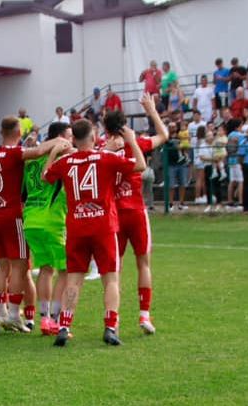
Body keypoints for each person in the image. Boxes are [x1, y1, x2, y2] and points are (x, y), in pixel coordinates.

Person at [43, 119, 146, 347]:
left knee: (74, 279)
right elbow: (140, 166)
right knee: (110, 278)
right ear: (93, 137)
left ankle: (64, 326)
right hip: (103, 227)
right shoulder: (105, 158)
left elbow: (46, 176)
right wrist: (131, 140)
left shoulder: (66, 162)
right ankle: (110, 327)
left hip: (77, 227)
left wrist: (54, 153)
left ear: (74, 139)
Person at [0, 117, 67, 335]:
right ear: (18, 132)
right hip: (12, 215)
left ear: (1, 131)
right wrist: (58, 142)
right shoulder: (15, 153)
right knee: (20, 267)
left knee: (1, 268)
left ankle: (0, 313)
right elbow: (39, 151)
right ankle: (14, 315)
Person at [104, 93, 168, 335]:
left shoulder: (103, 149)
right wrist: (151, 111)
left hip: (114, 214)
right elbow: (164, 135)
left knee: (115, 270)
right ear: (125, 125)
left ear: (105, 128)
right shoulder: (137, 143)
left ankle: (115, 319)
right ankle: (144, 316)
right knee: (143, 263)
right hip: (136, 211)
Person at [22, 121, 73, 336]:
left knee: (45, 269)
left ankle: (44, 319)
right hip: (52, 220)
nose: (71, 141)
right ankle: (55, 319)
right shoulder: (60, 159)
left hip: (30, 220)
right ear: (60, 139)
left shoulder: (31, 160)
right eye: (69, 137)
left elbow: (24, 193)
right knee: (65, 271)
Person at [165, 122, 189, 210]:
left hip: (182, 163)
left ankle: (181, 203)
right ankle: (171, 203)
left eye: (174, 126)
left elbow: (186, 145)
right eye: (170, 127)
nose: (172, 128)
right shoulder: (166, 137)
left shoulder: (181, 136)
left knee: (183, 183)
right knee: (171, 185)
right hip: (171, 164)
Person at [198, 129, 222, 213]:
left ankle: (219, 203)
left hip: (216, 166)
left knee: (217, 185)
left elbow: (220, 155)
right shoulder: (202, 145)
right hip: (207, 166)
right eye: (208, 136)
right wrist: (212, 159)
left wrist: (215, 159)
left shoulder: (216, 144)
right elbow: (202, 157)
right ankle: (209, 204)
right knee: (208, 185)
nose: (210, 137)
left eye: (211, 135)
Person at [226, 120, 244, 209]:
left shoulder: (229, 135)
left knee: (232, 180)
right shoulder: (240, 135)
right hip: (237, 159)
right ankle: (240, 202)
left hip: (230, 159)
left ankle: (230, 201)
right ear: (237, 127)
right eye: (241, 126)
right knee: (241, 180)